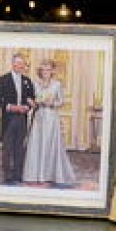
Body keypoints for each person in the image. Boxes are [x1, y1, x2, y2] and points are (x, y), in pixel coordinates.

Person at [22, 59, 77, 187]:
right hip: (39, 117)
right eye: (43, 70)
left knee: (49, 144)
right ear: (40, 71)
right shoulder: (35, 84)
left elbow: (61, 101)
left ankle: (49, 174)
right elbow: (30, 98)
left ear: (52, 71)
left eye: (48, 69)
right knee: (37, 143)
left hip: (51, 118)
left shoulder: (57, 84)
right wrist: (33, 102)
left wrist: (51, 103)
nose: (45, 72)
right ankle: (34, 175)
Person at [0, 52, 36, 184]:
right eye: (17, 63)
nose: (20, 66)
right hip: (8, 118)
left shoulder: (27, 81)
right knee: (7, 147)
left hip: (22, 117)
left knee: (19, 147)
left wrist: (27, 107)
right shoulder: (3, 79)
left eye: (22, 64)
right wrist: (11, 107)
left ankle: (18, 174)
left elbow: (31, 98)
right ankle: (7, 174)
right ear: (12, 64)